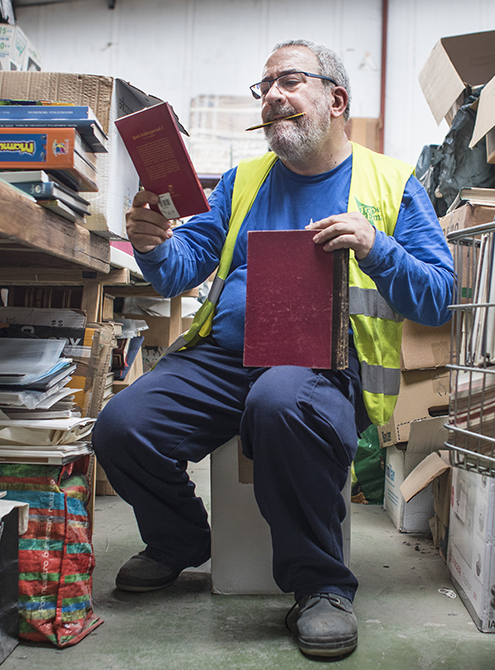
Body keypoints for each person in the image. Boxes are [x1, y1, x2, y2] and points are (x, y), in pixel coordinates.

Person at [92, 39, 454, 659]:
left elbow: (439, 296)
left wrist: (377, 247)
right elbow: (181, 270)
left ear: (335, 99)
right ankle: (179, 541)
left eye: (289, 82)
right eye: (265, 90)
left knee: (280, 401)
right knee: (121, 426)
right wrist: (151, 245)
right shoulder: (243, 181)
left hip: (319, 365)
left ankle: (321, 588)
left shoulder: (389, 183)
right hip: (224, 361)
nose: (273, 99)